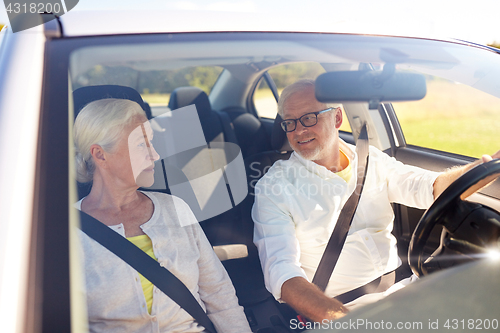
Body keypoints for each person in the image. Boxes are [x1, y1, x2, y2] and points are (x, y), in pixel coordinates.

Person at [251, 79, 500, 323]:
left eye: (308, 118)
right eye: (290, 123)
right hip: (345, 310)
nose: (299, 131)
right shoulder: (274, 188)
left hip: (407, 289)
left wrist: (488, 167)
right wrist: (347, 323)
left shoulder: (371, 159)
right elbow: (283, 275)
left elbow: (431, 187)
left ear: (337, 118)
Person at [74, 98, 251, 333]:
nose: (155, 155)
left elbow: (220, 296)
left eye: (152, 142)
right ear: (100, 154)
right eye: (140, 145)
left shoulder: (175, 209)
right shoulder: (68, 231)